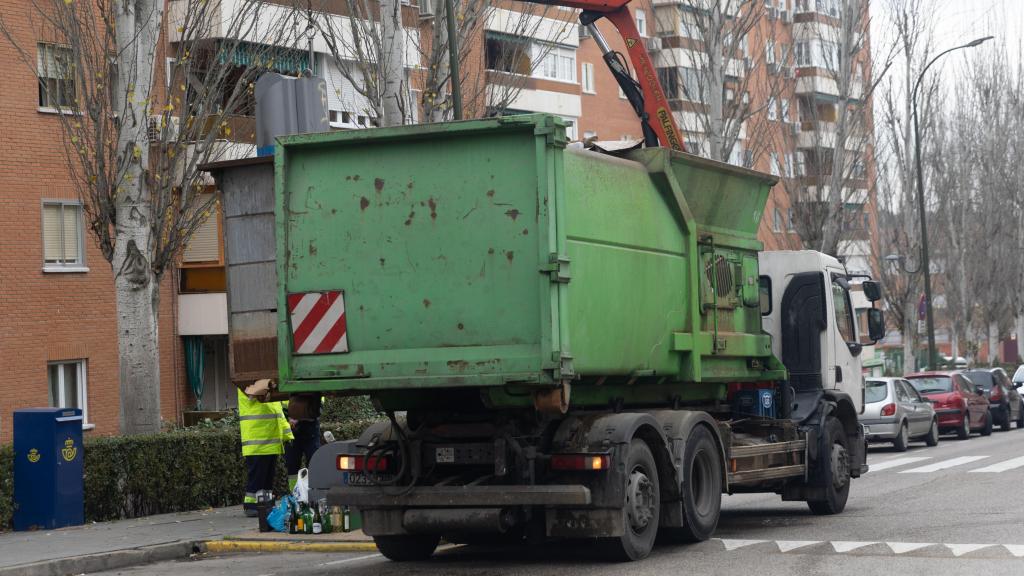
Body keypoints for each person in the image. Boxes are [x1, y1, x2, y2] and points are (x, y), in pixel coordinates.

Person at [238, 387, 293, 517]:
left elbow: (278, 412)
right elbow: (258, 396)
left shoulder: (268, 387)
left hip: (269, 439)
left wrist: (287, 433)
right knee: (258, 476)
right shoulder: (250, 384)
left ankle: (265, 504)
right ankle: (251, 506)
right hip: (258, 439)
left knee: (267, 478)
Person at [285, 395, 322, 491]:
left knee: (314, 462)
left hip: (310, 430)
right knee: (292, 465)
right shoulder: (286, 387)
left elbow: (319, 407)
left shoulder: (312, 386)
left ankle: (313, 492)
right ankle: (294, 493)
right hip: (292, 430)